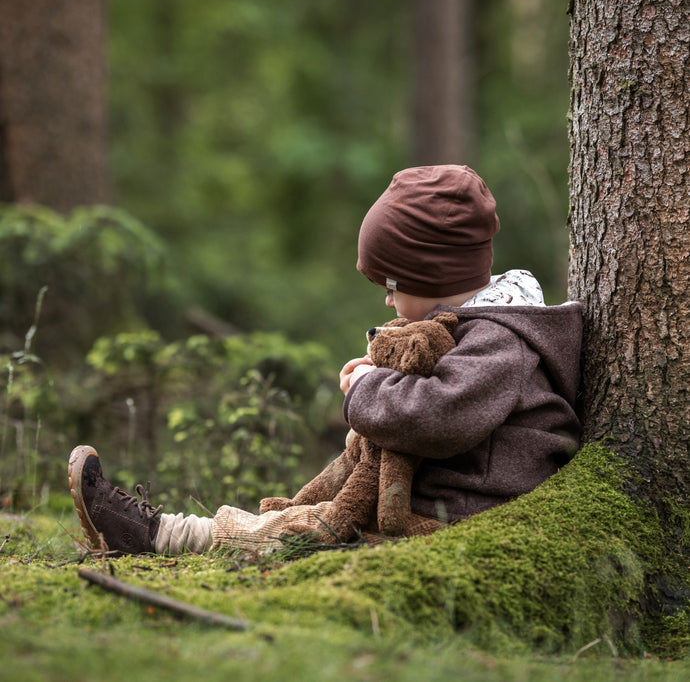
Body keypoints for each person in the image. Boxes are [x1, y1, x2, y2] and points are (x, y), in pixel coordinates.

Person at [68, 164, 582, 556]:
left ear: (429, 280)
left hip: (463, 515)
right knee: (311, 516)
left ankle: (157, 536)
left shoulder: (501, 343)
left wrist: (367, 387)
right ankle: (156, 529)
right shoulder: (474, 332)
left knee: (299, 532)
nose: (386, 303)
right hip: (435, 501)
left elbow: (433, 416)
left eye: (390, 288)